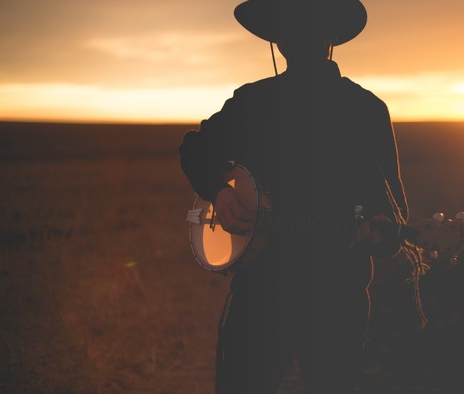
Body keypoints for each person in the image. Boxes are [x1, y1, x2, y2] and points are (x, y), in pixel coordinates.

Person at [179, 1, 410, 393]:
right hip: (261, 297)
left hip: (334, 300)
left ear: (329, 37)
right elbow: (196, 149)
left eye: (311, 25)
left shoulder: (365, 110)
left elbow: (393, 218)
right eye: (291, 26)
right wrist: (220, 192)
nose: (300, 36)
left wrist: (382, 233)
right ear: (280, 39)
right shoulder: (252, 102)